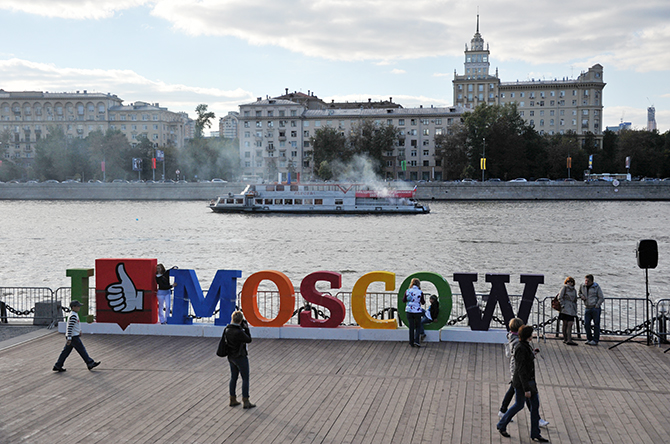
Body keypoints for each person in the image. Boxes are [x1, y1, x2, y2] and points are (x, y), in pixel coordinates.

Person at [497, 325, 549, 442]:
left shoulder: (524, 346)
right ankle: (502, 424)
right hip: (524, 383)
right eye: (531, 334)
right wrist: (526, 389)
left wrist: (532, 354)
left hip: (527, 381)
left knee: (527, 405)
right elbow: (521, 370)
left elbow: (525, 361)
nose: (533, 335)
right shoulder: (521, 348)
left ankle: (534, 432)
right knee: (522, 405)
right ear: (527, 336)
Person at [53, 300, 100, 372]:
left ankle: (58, 365)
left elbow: (74, 326)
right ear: (73, 307)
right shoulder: (73, 316)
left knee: (66, 352)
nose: (79, 308)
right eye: (77, 306)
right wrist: (69, 338)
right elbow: (70, 327)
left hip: (72, 336)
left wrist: (78, 331)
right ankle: (90, 363)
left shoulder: (73, 314)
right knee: (82, 350)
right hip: (73, 337)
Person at [224, 311, 255, 409]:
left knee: (233, 377)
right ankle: (246, 400)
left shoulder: (227, 330)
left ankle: (232, 399)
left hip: (231, 357)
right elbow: (248, 339)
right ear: (241, 320)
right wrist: (246, 328)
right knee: (245, 378)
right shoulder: (239, 332)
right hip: (240, 357)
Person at [579, 274, 605, 345]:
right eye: (585, 280)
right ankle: (589, 338)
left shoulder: (596, 287)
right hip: (587, 307)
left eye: (588, 281)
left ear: (592, 281)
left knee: (596, 324)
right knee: (586, 324)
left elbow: (601, 297)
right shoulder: (582, 286)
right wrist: (581, 296)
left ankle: (595, 340)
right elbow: (579, 293)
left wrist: (597, 305)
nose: (586, 282)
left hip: (595, 308)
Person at [403, 278, 425, 347]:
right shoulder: (420, 292)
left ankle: (411, 342)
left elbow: (404, 300)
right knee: (418, 326)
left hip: (409, 311)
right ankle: (417, 341)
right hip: (417, 311)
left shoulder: (408, 291)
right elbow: (423, 302)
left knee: (411, 327)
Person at [558, 276, 578, 345]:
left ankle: (569, 339)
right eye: (568, 281)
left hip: (572, 309)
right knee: (565, 324)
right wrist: (562, 305)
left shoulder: (574, 290)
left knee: (570, 324)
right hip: (565, 308)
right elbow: (560, 297)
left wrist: (575, 308)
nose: (569, 283)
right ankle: (566, 338)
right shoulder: (564, 288)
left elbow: (575, 299)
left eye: (571, 282)